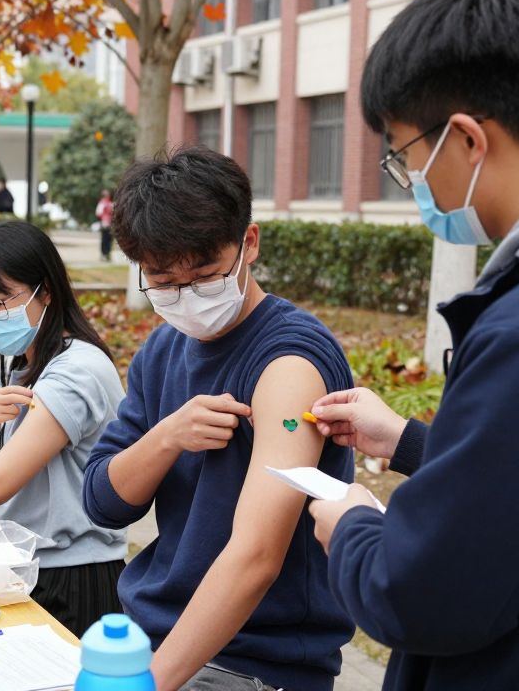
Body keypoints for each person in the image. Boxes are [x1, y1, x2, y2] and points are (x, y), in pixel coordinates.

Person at [304, 0, 519, 691]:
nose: (410, 177)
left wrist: (352, 525)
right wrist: (416, 443)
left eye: (404, 154)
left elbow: (423, 592)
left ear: (469, 139)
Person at [83, 146, 355, 691]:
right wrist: (166, 438)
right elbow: (104, 502)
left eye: (205, 275)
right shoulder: (163, 348)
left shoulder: (289, 363)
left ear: (248, 244)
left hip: (249, 664)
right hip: (154, 637)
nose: (186, 297)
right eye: (162, 282)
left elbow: (256, 556)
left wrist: (150, 684)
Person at [0, 221, 128, 637]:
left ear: (46, 291)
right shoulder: (24, 363)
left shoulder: (76, 371)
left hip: (71, 575)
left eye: (0, 301)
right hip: (21, 566)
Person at [96, 189, 114, 261]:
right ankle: (104, 254)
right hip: (105, 224)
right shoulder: (102, 203)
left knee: (109, 240)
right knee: (104, 239)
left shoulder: (110, 203)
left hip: (110, 224)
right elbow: (98, 213)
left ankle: (107, 254)